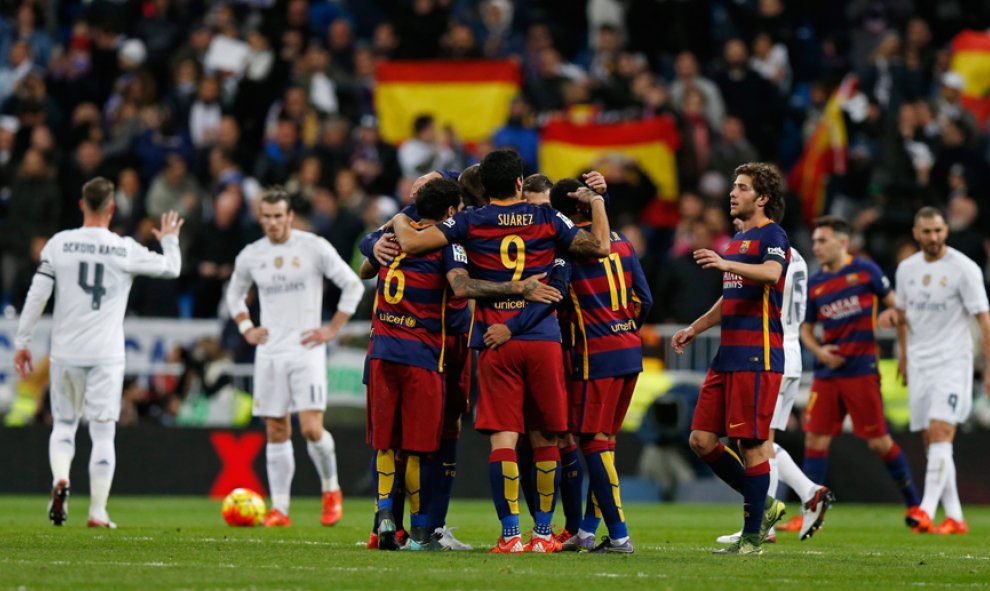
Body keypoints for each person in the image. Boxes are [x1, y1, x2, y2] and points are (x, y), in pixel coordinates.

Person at [390, 148, 611, 554]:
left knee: (504, 441)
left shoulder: (470, 220)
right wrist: (597, 201)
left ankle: (510, 535)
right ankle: (543, 535)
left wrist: (400, 217)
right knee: (546, 439)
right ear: (518, 184)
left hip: (494, 339)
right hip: (543, 339)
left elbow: (413, 242)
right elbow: (599, 246)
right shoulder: (546, 217)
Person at [362, 177, 560, 550]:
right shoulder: (452, 240)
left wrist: (379, 241)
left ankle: (386, 518)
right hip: (430, 347)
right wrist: (520, 288)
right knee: (423, 442)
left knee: (389, 441)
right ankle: (424, 529)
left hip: (385, 346)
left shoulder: (407, 230)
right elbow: (462, 286)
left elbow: (364, 264)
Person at [13, 177, 183, 528]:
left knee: (63, 424)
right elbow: (172, 268)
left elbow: (37, 294)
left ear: (81, 205)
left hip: (66, 353)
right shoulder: (124, 249)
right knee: (103, 432)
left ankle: (61, 479)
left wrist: (22, 342)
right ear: (112, 208)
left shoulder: (59, 244)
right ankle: (97, 511)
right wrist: (170, 240)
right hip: (106, 355)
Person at [225, 188, 364, 528]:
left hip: (306, 350)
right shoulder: (251, 255)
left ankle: (331, 490)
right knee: (275, 429)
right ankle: (280, 509)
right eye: (267, 216)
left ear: (289, 217)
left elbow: (353, 284)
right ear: (261, 218)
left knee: (312, 429)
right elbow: (233, 294)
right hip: (270, 352)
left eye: (278, 216)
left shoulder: (312, 246)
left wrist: (332, 328)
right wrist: (246, 327)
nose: (272, 223)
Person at [671, 162, 790, 555]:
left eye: (741, 188)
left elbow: (772, 274)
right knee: (701, 440)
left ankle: (752, 537)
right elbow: (733, 295)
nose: (732, 193)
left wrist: (726, 264)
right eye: (733, 187)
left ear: (763, 198)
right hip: (728, 355)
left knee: (751, 443)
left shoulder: (773, 234)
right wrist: (696, 327)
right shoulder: (737, 241)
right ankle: (766, 505)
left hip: (759, 354)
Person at [543, 177, 653, 554]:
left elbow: (556, 301)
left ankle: (620, 535)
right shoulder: (622, 241)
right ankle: (588, 532)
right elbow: (645, 299)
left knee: (592, 442)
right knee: (604, 443)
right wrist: (623, 329)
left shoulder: (569, 247)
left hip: (595, 354)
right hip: (629, 350)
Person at [800, 215, 922, 529]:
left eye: (822, 240)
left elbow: (898, 308)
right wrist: (819, 351)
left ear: (842, 242)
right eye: (814, 241)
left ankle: (914, 504)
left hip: (861, 369)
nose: (816, 246)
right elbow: (806, 330)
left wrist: (891, 316)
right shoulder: (815, 283)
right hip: (828, 372)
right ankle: (812, 513)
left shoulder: (865, 270)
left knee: (878, 442)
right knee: (815, 439)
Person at [717, 235, 834, 545]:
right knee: (763, 441)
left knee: (755, 441)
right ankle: (784, 510)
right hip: (791, 353)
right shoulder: (797, 257)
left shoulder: (767, 255)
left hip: (772, 350)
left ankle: (792, 503)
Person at [894, 207, 990, 534]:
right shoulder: (906, 269)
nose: (933, 237)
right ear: (916, 233)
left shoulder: (964, 269)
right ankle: (955, 516)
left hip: (953, 362)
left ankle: (924, 508)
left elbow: (984, 318)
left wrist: (989, 367)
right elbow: (903, 315)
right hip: (920, 363)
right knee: (931, 440)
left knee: (940, 432)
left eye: (938, 230)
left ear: (946, 230)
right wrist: (905, 357)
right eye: (927, 232)